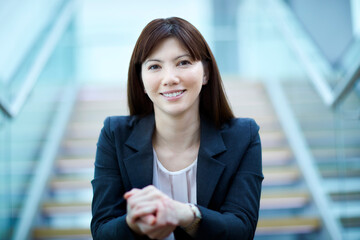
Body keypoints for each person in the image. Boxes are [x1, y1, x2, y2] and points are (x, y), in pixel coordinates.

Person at [91, 17, 263, 240]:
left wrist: (187, 215)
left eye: (183, 62)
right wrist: (132, 224)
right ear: (141, 81)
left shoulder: (243, 136)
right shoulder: (114, 134)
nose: (170, 78)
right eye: (155, 66)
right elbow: (102, 230)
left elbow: (241, 229)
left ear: (206, 73)